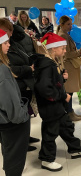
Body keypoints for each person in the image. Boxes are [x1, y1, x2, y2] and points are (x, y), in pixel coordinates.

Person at [34, 32, 81, 171]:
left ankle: (75, 149)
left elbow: (53, 83)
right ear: (53, 48)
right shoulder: (47, 65)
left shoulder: (52, 63)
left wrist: (62, 79)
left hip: (56, 106)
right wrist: (63, 96)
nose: (64, 51)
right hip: (50, 107)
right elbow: (45, 88)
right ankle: (46, 159)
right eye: (62, 48)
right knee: (50, 132)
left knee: (66, 126)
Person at [0, 18, 40, 151]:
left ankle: (25, 138)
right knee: (16, 118)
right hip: (18, 85)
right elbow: (12, 69)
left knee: (25, 113)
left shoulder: (13, 43)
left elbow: (20, 34)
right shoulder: (4, 50)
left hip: (24, 84)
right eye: (6, 31)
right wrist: (28, 68)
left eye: (11, 30)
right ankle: (20, 142)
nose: (10, 34)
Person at [0, 28, 30, 176]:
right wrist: (22, 117)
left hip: (4, 121)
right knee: (15, 158)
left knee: (8, 151)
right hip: (12, 123)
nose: (8, 45)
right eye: (5, 43)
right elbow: (10, 102)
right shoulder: (2, 70)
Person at [57, 15, 81, 121]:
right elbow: (67, 54)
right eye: (68, 24)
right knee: (69, 91)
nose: (70, 26)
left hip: (69, 66)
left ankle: (69, 111)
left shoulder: (64, 35)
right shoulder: (63, 36)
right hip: (69, 66)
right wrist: (79, 52)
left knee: (69, 91)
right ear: (62, 24)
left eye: (71, 24)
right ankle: (69, 113)